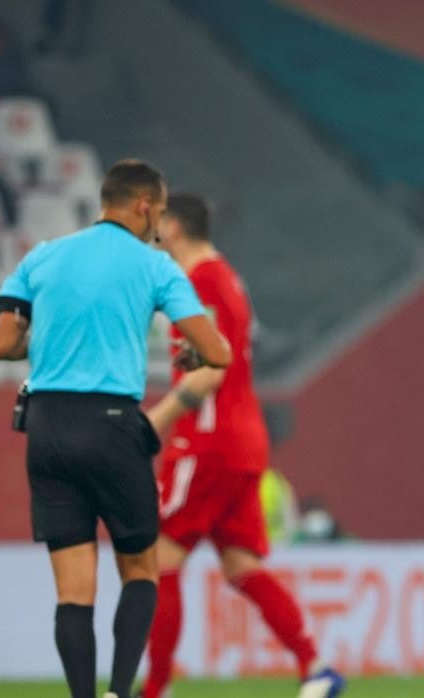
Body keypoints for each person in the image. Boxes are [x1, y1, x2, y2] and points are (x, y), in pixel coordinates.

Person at [0, 160, 232, 698]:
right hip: (112, 426)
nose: (161, 227)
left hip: (47, 430)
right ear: (144, 206)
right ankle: (120, 692)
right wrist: (192, 353)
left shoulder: (43, 256)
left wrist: (50, 343)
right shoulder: (154, 266)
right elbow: (218, 352)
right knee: (141, 569)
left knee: (74, 591)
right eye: (160, 214)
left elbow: (0, 345)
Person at [142, 193, 345, 698]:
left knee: (155, 558)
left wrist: (158, 418)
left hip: (207, 442)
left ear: (174, 227)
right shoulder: (229, 279)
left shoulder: (202, 282)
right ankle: (315, 669)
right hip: (242, 440)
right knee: (241, 565)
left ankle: (155, 689)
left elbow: (210, 366)